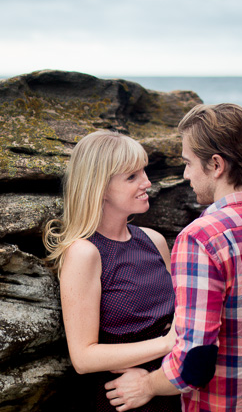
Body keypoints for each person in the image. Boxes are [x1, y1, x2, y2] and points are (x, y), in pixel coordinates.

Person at [105, 103, 242, 411]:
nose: (186, 174)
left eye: (188, 163)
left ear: (216, 165)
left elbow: (196, 363)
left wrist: (146, 384)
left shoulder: (201, 240)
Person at [44, 130, 181, 412]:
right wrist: (166, 344)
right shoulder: (84, 253)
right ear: (100, 188)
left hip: (170, 389)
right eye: (132, 177)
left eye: (143, 171)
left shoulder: (154, 241)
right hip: (122, 401)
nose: (147, 182)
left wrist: (154, 380)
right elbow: (83, 358)